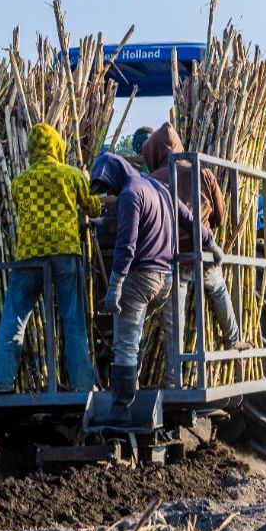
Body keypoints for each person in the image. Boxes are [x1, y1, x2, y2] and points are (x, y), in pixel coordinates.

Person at [0, 122, 101, 393]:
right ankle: (83, 384)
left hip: (30, 253)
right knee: (73, 319)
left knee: (14, 318)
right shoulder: (71, 175)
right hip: (65, 251)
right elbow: (93, 206)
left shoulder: (20, 182)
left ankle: (1, 380)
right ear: (56, 146)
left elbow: (22, 209)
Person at [90, 152, 219, 424]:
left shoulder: (130, 194)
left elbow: (126, 245)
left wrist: (115, 284)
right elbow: (190, 219)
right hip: (167, 278)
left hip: (141, 278)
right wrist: (211, 242)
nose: (109, 192)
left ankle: (121, 410)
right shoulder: (159, 187)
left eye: (107, 186)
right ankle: (160, 387)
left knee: (125, 342)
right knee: (152, 335)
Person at [142, 122, 250, 387]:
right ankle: (234, 339)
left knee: (173, 320)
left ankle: (172, 379)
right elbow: (221, 216)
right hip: (203, 251)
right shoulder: (202, 173)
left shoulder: (153, 180)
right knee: (219, 291)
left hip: (172, 258)